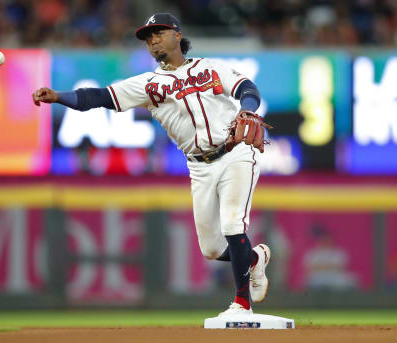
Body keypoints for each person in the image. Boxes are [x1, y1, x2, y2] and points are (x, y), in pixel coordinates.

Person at [33, 13, 271, 319]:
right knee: (211, 249)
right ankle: (253, 258)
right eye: (148, 37)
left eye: (158, 32)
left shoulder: (211, 67)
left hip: (237, 153)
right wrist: (59, 97)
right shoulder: (148, 84)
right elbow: (100, 96)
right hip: (199, 166)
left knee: (232, 225)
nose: (152, 39)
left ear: (176, 35)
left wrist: (248, 111)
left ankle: (241, 304)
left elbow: (246, 88)